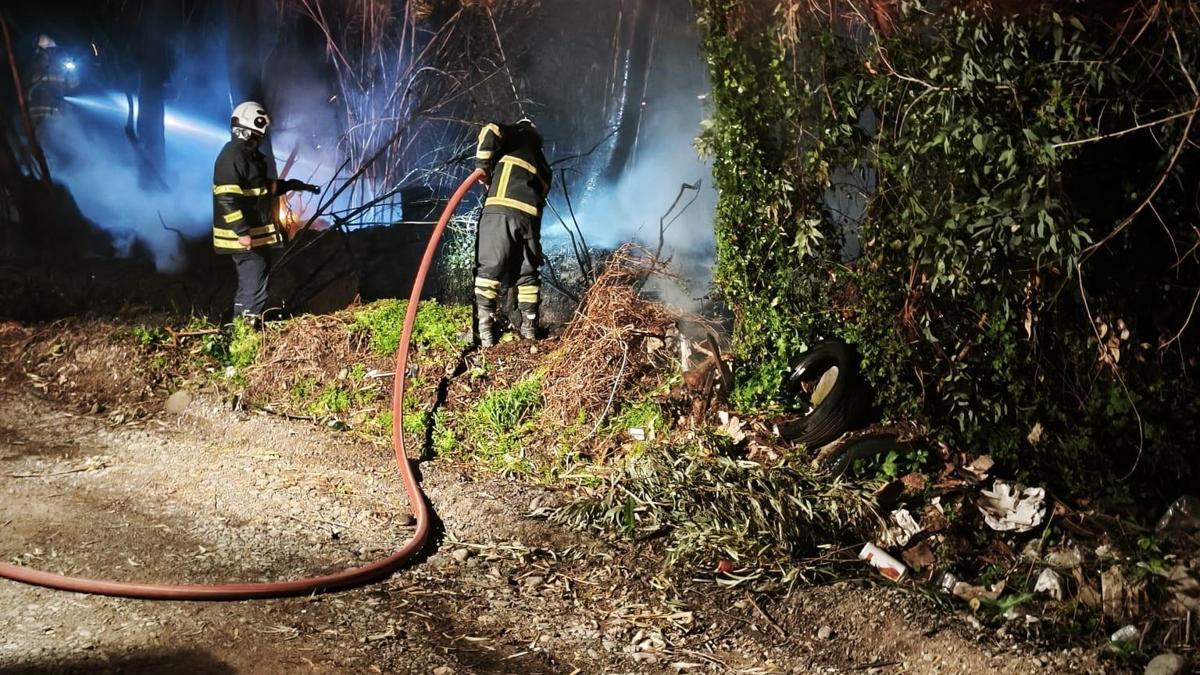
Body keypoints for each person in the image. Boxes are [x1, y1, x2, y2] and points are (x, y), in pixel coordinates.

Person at [211, 101, 317, 326]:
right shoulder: (232, 156)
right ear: (251, 126)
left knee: (254, 280)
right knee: (253, 283)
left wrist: (292, 185)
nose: (261, 136)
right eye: (260, 131)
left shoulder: (246, 156)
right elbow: (226, 197)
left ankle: (240, 328)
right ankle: (244, 332)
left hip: (252, 235)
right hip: (242, 238)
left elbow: (261, 188)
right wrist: (241, 231)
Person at [472, 117, 552, 347]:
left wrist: (483, 168)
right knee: (527, 274)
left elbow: (490, 129)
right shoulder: (544, 165)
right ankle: (529, 331)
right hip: (529, 221)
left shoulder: (514, 136)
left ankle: (485, 335)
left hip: (501, 209)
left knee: (489, 270)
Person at [25, 34, 79, 128]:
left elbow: (73, 89)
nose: (53, 53)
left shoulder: (59, 69)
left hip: (55, 120)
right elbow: (25, 93)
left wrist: (71, 73)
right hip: (37, 121)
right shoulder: (31, 70)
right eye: (51, 50)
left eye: (54, 50)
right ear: (41, 51)